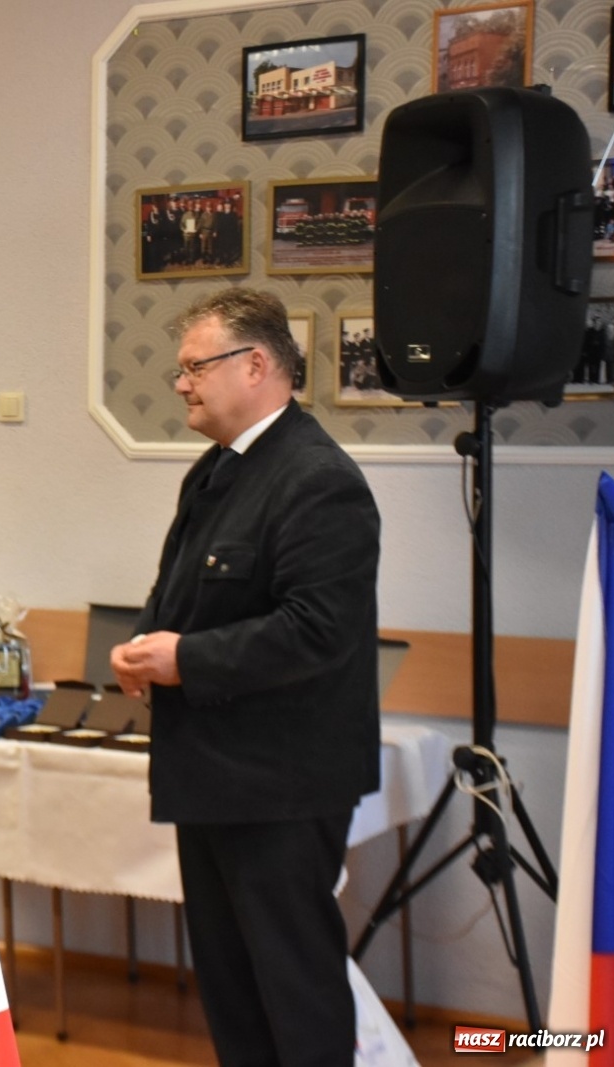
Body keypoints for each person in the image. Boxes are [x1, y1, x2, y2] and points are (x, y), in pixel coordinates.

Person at [109, 287, 381, 1067]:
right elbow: (182, 592)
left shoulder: (315, 477)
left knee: (293, 990)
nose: (183, 383)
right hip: (214, 775)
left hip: (281, 784)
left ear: (258, 364)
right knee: (232, 990)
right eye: (182, 370)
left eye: (196, 366)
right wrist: (141, 645)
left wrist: (183, 660)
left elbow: (316, 631)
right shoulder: (217, 471)